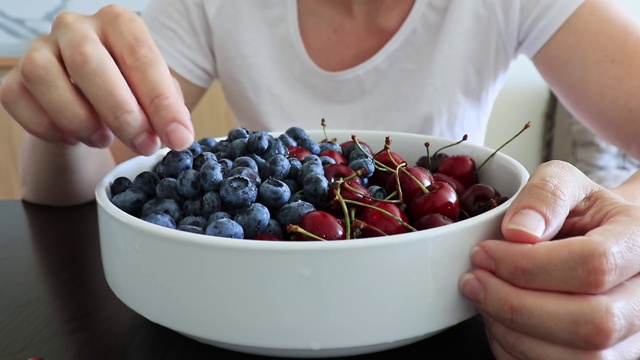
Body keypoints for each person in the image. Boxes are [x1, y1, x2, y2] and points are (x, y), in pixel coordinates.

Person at [2, 0, 640, 357]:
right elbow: (106, 185)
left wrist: (627, 230)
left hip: (448, 305)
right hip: (239, 308)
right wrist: (65, 119)